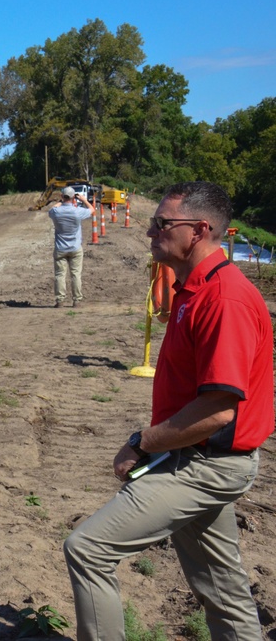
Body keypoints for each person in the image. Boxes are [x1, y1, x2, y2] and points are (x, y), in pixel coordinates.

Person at [64, 181, 273, 640]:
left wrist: (142, 443)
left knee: (88, 549)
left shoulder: (225, 300)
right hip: (198, 456)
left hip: (205, 463)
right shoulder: (196, 288)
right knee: (222, 587)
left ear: (199, 230)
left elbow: (219, 409)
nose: (149, 232)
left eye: (162, 224)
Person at [49, 186, 95, 308]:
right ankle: (77, 300)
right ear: (74, 197)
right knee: (76, 274)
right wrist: (84, 200)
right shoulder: (77, 211)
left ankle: (60, 300)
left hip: (60, 248)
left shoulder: (56, 212)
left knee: (60, 275)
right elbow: (92, 210)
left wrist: (60, 202)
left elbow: (52, 209)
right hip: (75, 248)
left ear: (62, 196)